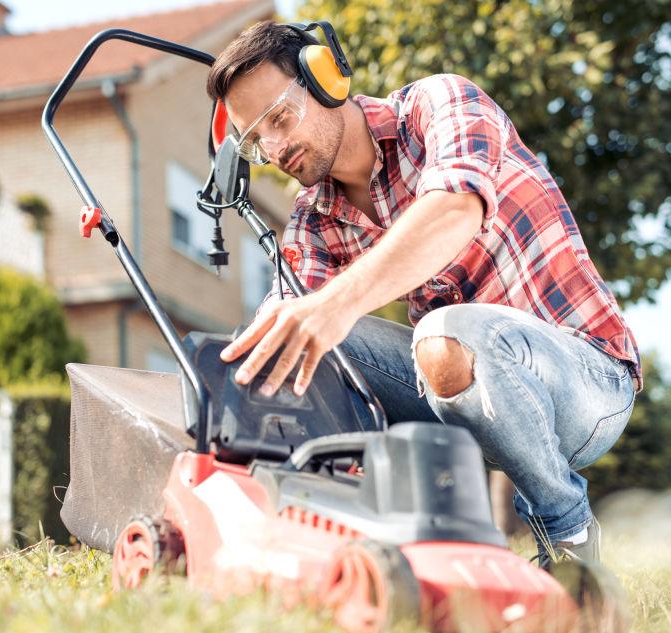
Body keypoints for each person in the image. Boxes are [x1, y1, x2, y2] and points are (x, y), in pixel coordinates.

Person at [206, 20, 641, 568]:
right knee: (293, 340)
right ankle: (355, 534)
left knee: (442, 334)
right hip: (465, 403)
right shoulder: (312, 219)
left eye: (279, 118)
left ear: (325, 79)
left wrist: (337, 303)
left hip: (588, 383)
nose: (275, 148)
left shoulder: (439, 105)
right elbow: (287, 341)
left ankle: (570, 536)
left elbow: (455, 209)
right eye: (255, 141)